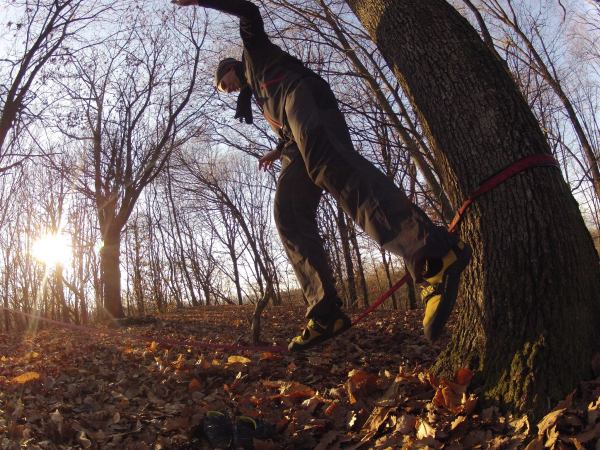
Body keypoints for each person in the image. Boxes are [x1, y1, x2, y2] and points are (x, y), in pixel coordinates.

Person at [172, 0, 471, 351]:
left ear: (230, 69)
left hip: (307, 99)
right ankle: (324, 311)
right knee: (288, 212)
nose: (228, 90)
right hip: (294, 141)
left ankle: (431, 255)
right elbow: (287, 131)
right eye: (225, 90)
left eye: (224, 83)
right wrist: (276, 149)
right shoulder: (263, 100)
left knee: (330, 166)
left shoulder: (254, 53)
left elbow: (249, 10)